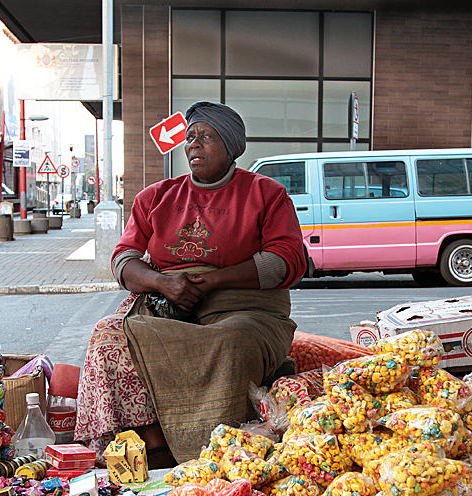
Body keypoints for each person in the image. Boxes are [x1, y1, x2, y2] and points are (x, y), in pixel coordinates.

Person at [74, 101, 307, 467]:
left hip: (245, 307)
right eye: (190, 137)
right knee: (108, 335)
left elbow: (286, 261)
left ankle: (216, 449)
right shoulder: (156, 197)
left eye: (207, 137)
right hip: (166, 303)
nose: (194, 145)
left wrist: (213, 280)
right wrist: (163, 284)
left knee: (232, 342)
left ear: (230, 147)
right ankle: (154, 442)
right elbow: (123, 260)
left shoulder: (266, 194)